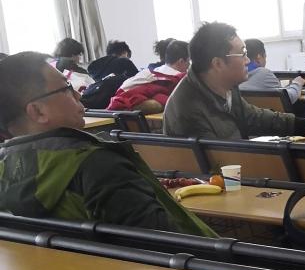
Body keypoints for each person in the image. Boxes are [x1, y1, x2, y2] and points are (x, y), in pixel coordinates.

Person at [0, 52, 216, 235]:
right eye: (66, 88)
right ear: (38, 111)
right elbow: (164, 240)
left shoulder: (5, 170)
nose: (77, 94)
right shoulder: (98, 166)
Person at [163, 23, 305, 140]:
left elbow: (253, 117)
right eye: (242, 53)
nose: (247, 60)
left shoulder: (226, 86)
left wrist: (302, 124)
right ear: (218, 63)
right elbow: (216, 164)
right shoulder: (187, 110)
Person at [108, 40, 189, 113]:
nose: (189, 65)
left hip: (118, 104)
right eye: (189, 61)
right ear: (181, 61)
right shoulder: (177, 77)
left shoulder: (151, 71)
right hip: (128, 104)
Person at [240, 39, 303, 107]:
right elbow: (287, 98)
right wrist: (297, 83)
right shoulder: (263, 74)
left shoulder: (237, 75)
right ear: (259, 57)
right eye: (265, 57)